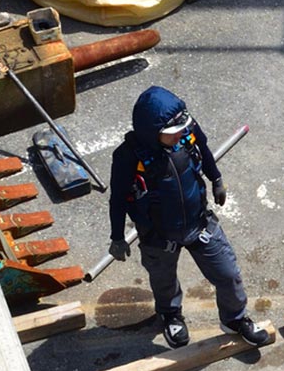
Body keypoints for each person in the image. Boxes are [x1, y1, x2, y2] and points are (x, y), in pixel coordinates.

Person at [109, 86, 273, 350]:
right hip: (158, 235)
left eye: (181, 130)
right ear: (152, 132)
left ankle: (235, 319)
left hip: (199, 223)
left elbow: (204, 150)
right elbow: (117, 199)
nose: (180, 135)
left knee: (228, 274)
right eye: (172, 133)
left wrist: (216, 179)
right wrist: (117, 237)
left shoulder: (186, 131)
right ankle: (170, 315)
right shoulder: (127, 157)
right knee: (163, 281)